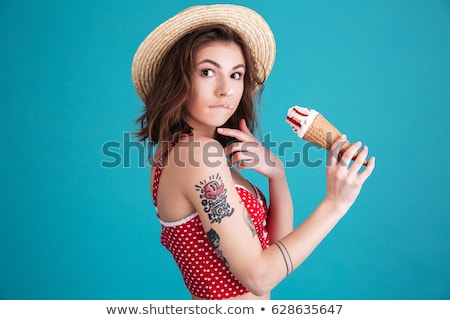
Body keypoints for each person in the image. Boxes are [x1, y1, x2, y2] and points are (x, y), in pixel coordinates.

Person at [131, 4, 375, 300]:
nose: (226, 90)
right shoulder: (196, 155)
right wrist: (335, 203)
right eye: (207, 72)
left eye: (236, 75)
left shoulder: (186, 153)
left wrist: (277, 176)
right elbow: (259, 277)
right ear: (178, 80)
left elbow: (276, 257)